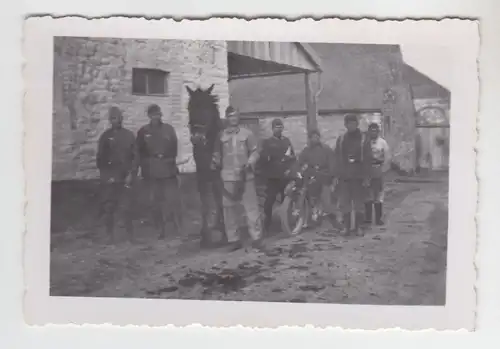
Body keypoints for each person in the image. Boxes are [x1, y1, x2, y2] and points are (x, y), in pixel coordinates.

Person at [213, 106, 264, 251]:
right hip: (228, 177)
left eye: (235, 116)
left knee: (251, 207)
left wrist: (250, 162)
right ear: (227, 118)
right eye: (230, 116)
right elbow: (217, 154)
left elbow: (255, 152)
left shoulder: (247, 134)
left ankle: (256, 237)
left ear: (238, 117)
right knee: (229, 209)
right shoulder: (221, 136)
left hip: (245, 176)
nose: (233, 119)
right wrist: (215, 161)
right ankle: (233, 239)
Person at [137, 104, 183, 238]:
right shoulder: (143, 131)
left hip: (168, 170)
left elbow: (174, 149)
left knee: (172, 200)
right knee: (155, 202)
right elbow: (140, 152)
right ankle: (160, 229)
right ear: (149, 116)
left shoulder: (168, 130)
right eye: (153, 115)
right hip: (152, 171)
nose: (155, 117)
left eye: (157, 114)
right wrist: (145, 167)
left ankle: (177, 227)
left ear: (160, 115)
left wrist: (170, 161)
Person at [96, 106, 137, 242]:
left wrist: (131, 174)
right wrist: (107, 176)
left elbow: (135, 157)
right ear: (110, 120)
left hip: (125, 176)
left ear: (122, 119)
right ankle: (109, 235)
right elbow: (100, 159)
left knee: (126, 207)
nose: (117, 121)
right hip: (110, 178)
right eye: (114, 118)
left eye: (119, 118)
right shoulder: (105, 137)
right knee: (109, 207)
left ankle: (129, 236)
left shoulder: (129, 135)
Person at [333, 114, 373, 236]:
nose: (350, 125)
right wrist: (336, 176)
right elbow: (336, 158)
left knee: (359, 204)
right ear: (345, 125)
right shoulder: (341, 139)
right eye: (348, 123)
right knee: (344, 204)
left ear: (357, 124)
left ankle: (359, 227)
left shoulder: (363, 139)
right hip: (344, 177)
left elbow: (368, 159)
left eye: (353, 123)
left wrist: (366, 177)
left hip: (359, 177)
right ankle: (346, 227)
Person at [296, 129, 339, 228]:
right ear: (310, 138)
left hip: (324, 176)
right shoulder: (306, 150)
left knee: (326, 200)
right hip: (312, 176)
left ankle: (332, 219)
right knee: (310, 196)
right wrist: (299, 171)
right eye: (313, 137)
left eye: (317, 137)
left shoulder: (326, 149)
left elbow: (332, 163)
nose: (315, 139)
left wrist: (332, 176)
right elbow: (300, 162)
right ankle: (312, 215)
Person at [259, 118, 296, 234]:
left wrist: (290, 168)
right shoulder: (268, 142)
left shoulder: (286, 141)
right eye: (276, 127)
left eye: (280, 127)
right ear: (272, 129)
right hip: (273, 177)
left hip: (285, 177)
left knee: (287, 201)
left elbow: (292, 157)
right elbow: (263, 159)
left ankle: (286, 224)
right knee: (269, 201)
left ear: (283, 128)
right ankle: (267, 226)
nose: (278, 129)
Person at [365, 122, 391, 225]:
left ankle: (378, 218)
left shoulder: (382, 143)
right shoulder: (365, 142)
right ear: (369, 131)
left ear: (378, 131)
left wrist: (383, 170)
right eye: (371, 131)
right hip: (367, 171)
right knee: (367, 194)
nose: (373, 133)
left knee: (378, 195)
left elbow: (388, 157)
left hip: (378, 170)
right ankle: (367, 218)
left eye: (375, 131)